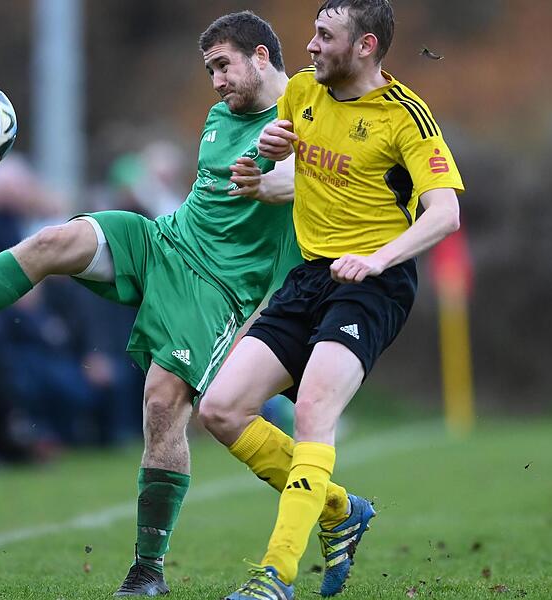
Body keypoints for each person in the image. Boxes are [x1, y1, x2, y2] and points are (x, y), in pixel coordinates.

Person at [0, 11, 355, 597]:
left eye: (223, 66)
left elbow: (311, 176)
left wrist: (277, 184)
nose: (215, 82)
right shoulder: (220, 118)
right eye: (209, 69)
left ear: (262, 57)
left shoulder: (306, 117)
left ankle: (150, 569)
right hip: (163, 242)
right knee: (50, 241)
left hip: (217, 290)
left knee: (161, 406)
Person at [198, 1, 465, 598]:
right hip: (310, 278)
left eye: (325, 35)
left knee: (315, 411)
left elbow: (445, 213)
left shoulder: (407, 118)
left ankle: (275, 575)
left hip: (374, 285)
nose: (311, 46)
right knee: (220, 409)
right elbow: (303, 174)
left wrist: (377, 258)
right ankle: (341, 511)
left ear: (365, 46)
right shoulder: (299, 93)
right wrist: (264, 173)